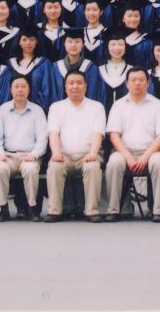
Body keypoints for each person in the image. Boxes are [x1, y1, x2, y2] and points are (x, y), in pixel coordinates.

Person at [103, 68, 160, 222]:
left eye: (141, 80)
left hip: (152, 152)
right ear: (127, 84)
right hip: (124, 152)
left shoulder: (157, 105)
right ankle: (113, 209)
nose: (137, 83)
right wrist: (128, 157)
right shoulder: (119, 105)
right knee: (114, 162)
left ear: (148, 83)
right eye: (133, 80)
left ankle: (158, 210)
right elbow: (114, 135)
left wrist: (145, 157)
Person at [45, 70, 107, 223]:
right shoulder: (56, 107)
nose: (75, 86)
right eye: (71, 83)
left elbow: (98, 133)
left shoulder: (96, 107)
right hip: (64, 155)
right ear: (65, 87)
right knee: (55, 167)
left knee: (92, 166)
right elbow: (53, 133)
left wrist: (93, 153)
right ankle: (54, 211)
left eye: (79, 83)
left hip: (88, 154)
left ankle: (92, 211)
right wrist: (56, 152)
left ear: (86, 86)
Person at [0, 74, 47, 221]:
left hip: (29, 156)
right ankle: (3, 208)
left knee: (30, 169)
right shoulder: (3, 110)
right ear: (10, 89)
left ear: (29, 89)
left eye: (23, 86)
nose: (20, 90)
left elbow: (42, 138)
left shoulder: (37, 110)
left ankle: (32, 208)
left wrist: (34, 155)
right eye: (16, 87)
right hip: (8, 155)